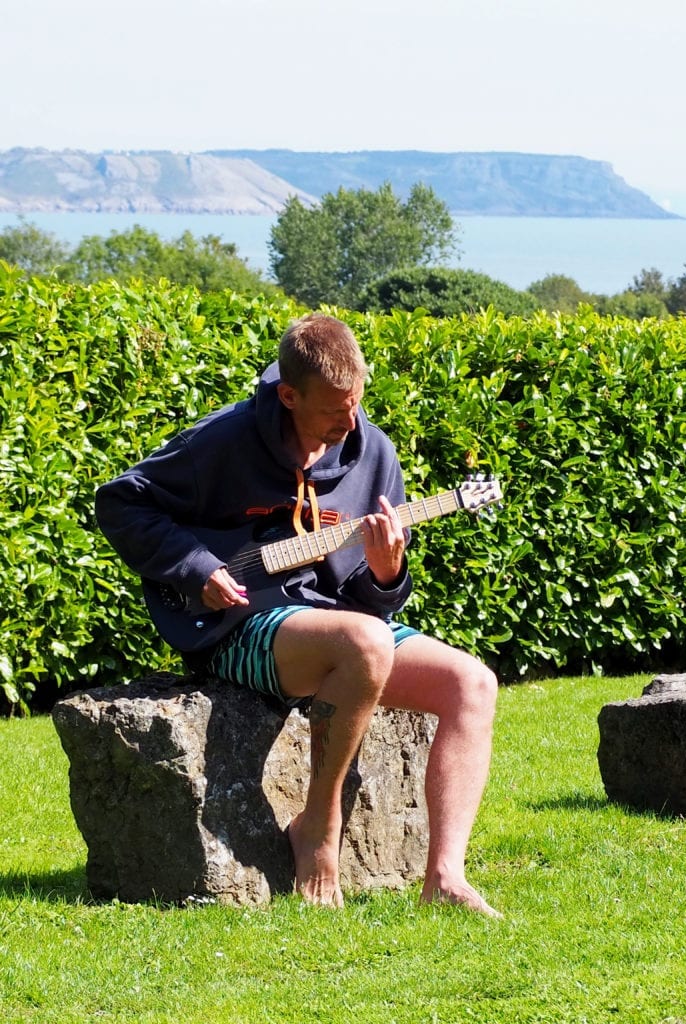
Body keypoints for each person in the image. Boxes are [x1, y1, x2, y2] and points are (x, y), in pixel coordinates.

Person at [95, 313, 499, 916]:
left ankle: (445, 877)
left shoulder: (373, 453)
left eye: (358, 400)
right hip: (233, 625)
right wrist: (197, 569)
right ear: (288, 395)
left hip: (337, 628)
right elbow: (121, 501)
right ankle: (319, 824)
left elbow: (365, 603)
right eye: (336, 407)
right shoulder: (222, 441)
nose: (351, 418)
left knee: (473, 683)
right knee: (363, 643)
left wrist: (387, 573)